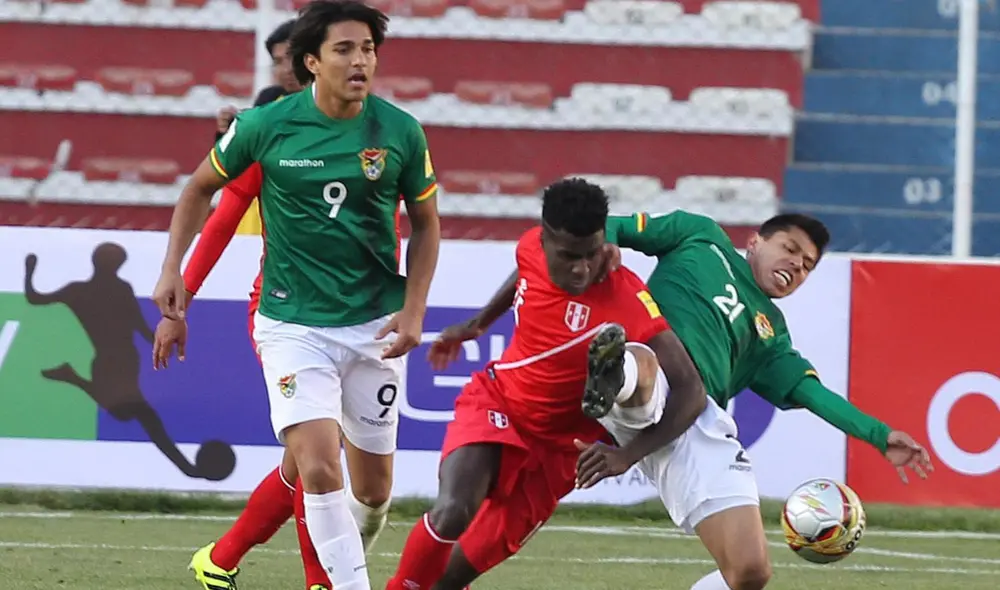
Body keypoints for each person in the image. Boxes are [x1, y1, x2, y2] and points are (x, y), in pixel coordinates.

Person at [152, 1, 442, 589]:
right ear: (311, 61)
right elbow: (205, 194)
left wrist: (414, 309)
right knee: (318, 464)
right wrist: (174, 276)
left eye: (368, 49)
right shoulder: (266, 127)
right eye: (344, 50)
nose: (360, 61)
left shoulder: (400, 132)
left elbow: (427, 223)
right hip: (292, 322)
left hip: (373, 326)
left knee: (372, 490)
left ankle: (228, 556)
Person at [572, 211, 935, 590]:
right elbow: (615, 225)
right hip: (655, 371)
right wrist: (604, 248)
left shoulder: (772, 336)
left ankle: (617, 375)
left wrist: (878, 435)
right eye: (790, 249)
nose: (796, 265)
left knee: (750, 571)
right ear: (755, 242)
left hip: (691, 422)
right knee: (646, 363)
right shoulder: (701, 235)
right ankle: (615, 373)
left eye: (807, 266)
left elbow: (816, 395)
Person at [384, 178, 708, 590]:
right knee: (452, 512)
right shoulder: (529, 247)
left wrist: (627, 456)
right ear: (545, 239)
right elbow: (523, 272)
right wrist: (478, 323)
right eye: (569, 256)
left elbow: (692, 391)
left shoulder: (627, 297)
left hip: (560, 455)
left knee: (450, 579)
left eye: (591, 254)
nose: (582, 268)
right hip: (499, 404)